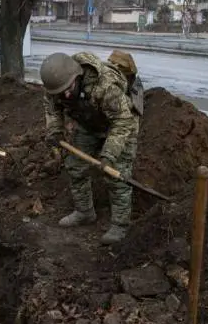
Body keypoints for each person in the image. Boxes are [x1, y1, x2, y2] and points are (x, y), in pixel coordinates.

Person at [40, 51, 141, 245]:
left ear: (77, 76)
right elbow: (52, 109)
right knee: (75, 166)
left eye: (69, 89)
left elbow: (122, 121)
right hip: (89, 123)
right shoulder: (56, 87)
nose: (66, 95)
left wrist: (109, 154)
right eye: (61, 93)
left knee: (116, 175)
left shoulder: (105, 86)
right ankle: (85, 212)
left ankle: (120, 225)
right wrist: (55, 131)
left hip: (120, 123)